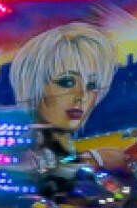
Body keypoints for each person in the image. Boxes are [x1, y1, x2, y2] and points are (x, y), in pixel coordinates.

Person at [9, 22, 124, 168]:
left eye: (91, 86)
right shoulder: (20, 150)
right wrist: (91, 159)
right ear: (33, 84)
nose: (82, 96)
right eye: (68, 82)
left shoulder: (68, 148)